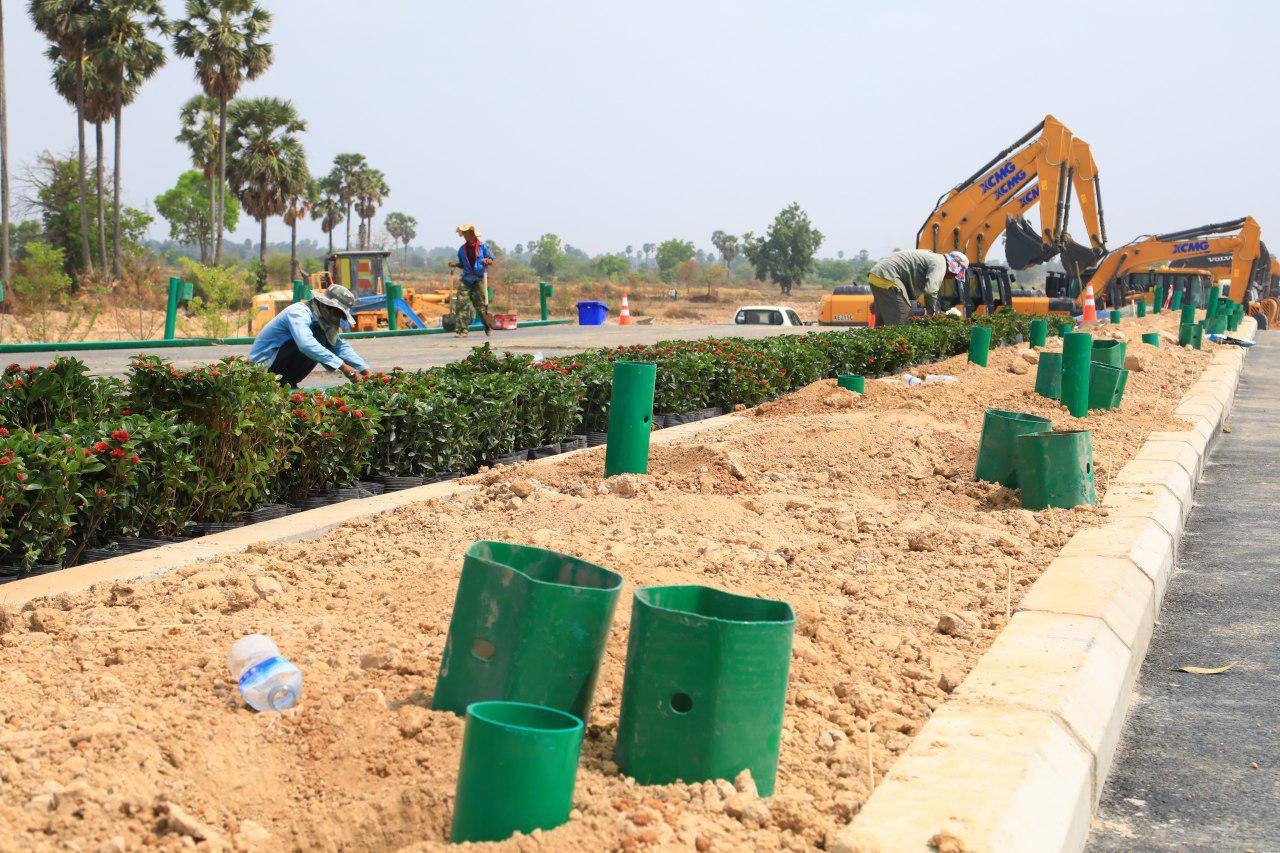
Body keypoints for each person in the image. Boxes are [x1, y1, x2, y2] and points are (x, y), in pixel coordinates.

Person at [248, 285, 371, 387]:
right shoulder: (299, 312)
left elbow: (338, 346)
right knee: (317, 337)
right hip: (263, 371)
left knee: (322, 336)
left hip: (282, 375)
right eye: (338, 314)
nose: (337, 319)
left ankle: (287, 384)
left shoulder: (321, 322)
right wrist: (343, 366)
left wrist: (364, 370)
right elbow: (305, 344)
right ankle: (278, 383)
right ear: (327, 306)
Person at [866, 249, 969, 326]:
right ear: (954, 266)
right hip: (888, 276)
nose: (952, 277)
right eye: (954, 274)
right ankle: (896, 347)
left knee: (880, 322)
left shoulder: (933, 258)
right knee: (903, 313)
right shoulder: (940, 264)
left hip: (876, 275)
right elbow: (930, 291)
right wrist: (931, 314)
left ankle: (876, 348)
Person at [448, 224, 496, 337]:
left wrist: (487, 261)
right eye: (464, 234)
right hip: (467, 279)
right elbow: (463, 265)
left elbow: (491, 259)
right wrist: (455, 264)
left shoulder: (483, 247)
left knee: (480, 306)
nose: (465, 236)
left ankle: (487, 326)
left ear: (472, 234)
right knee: (461, 303)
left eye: (467, 233)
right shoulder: (462, 250)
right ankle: (462, 330)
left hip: (479, 279)